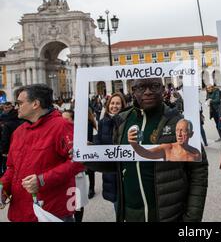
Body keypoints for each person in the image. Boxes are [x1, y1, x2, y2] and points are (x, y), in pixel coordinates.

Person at [85, 78, 208, 222]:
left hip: (169, 215)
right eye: (141, 87)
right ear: (133, 91)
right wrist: (88, 156)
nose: (148, 92)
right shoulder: (122, 121)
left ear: (163, 89)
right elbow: (118, 163)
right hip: (132, 215)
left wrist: (192, 218)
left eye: (154, 86)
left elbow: (198, 170)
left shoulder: (178, 121)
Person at [0, 84, 84, 222]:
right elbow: (12, 168)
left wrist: (43, 179)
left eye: (20, 103)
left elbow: (78, 162)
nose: (16, 107)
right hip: (20, 212)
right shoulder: (18, 132)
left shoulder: (62, 126)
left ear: (35, 104)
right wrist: (3, 187)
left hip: (51, 212)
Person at [95, 93, 126, 212]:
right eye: (112, 103)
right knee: (116, 203)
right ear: (108, 105)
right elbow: (100, 141)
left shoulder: (128, 120)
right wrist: (90, 145)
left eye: (118, 103)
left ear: (123, 105)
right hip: (111, 169)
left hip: (125, 167)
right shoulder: (103, 122)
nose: (114, 106)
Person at [61, 109, 89, 223]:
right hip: (62, 175)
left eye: (66, 119)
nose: (63, 122)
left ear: (73, 121)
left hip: (77, 176)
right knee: (67, 205)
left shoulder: (79, 134)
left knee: (77, 204)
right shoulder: (59, 132)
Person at [129, 119, 201, 162]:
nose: (179, 134)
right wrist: (134, 144)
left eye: (183, 131)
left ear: (191, 134)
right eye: (177, 130)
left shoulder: (196, 153)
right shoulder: (167, 148)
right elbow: (146, 153)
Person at [0, 102, 23, 176]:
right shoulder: (2, 117)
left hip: (11, 147)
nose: (7, 109)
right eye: (5, 108)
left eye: (9, 107)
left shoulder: (11, 121)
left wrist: (4, 151)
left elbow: (5, 138)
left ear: (12, 107)